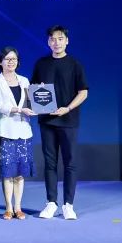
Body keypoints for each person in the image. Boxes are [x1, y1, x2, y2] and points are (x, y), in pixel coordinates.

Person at [31, 25, 88, 220]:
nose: (56, 42)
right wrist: (37, 93)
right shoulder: (41, 64)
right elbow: (33, 89)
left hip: (68, 120)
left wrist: (68, 108)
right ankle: (51, 203)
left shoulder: (75, 64)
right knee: (50, 163)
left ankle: (68, 205)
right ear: (48, 42)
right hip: (47, 120)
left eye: (60, 38)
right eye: (53, 39)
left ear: (67, 41)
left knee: (70, 163)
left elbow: (83, 92)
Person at [0, 47, 36, 220]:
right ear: (0, 62)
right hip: (6, 130)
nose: (11, 62)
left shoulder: (24, 80)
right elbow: (0, 106)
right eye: (7, 59)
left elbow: (31, 102)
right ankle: (8, 208)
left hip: (24, 131)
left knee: (20, 173)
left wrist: (40, 97)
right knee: (7, 172)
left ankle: (18, 207)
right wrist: (19, 109)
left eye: (14, 59)